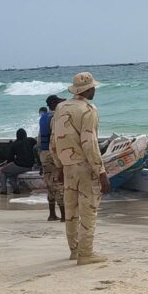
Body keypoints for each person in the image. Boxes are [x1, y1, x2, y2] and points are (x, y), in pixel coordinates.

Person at [52, 72, 110, 265]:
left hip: (67, 166)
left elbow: (54, 141)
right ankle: (86, 253)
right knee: (88, 209)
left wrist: (59, 166)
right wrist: (101, 171)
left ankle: (74, 250)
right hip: (85, 167)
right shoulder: (89, 110)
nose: (94, 90)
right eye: (92, 87)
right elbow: (89, 143)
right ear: (87, 89)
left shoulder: (60, 107)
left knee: (71, 211)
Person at [39, 95, 65, 222]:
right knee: (59, 183)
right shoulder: (55, 118)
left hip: (43, 154)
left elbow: (39, 140)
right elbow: (57, 139)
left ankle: (52, 214)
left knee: (50, 184)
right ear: (54, 103)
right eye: (59, 102)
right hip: (52, 154)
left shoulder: (43, 117)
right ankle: (64, 216)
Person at [0, 128, 37, 195]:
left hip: (20, 165)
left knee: (3, 171)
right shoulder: (31, 140)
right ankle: (16, 190)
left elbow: (10, 159)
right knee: (11, 174)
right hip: (30, 165)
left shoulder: (15, 144)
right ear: (25, 135)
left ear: (17, 136)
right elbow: (37, 145)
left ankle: (3, 190)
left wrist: (7, 165)